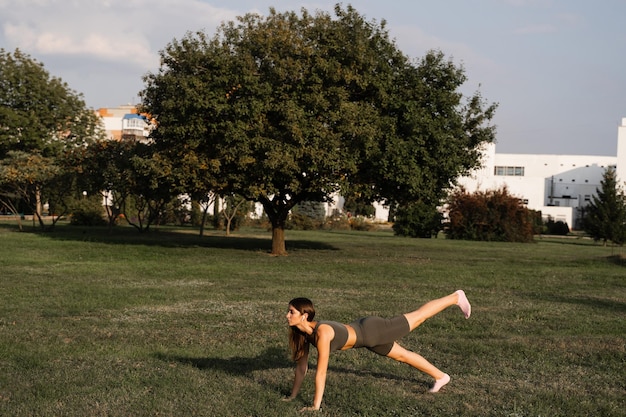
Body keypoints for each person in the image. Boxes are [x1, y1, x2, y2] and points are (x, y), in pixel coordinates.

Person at [283, 290, 471, 412]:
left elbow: (321, 371)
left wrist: (315, 407)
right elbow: (301, 368)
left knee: (419, 316)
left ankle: (455, 297)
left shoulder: (322, 333)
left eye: (291, 312)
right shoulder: (302, 335)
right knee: (403, 356)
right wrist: (293, 396)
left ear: (304, 315)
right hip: (367, 339)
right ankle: (440, 377)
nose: (287, 315)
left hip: (373, 330)